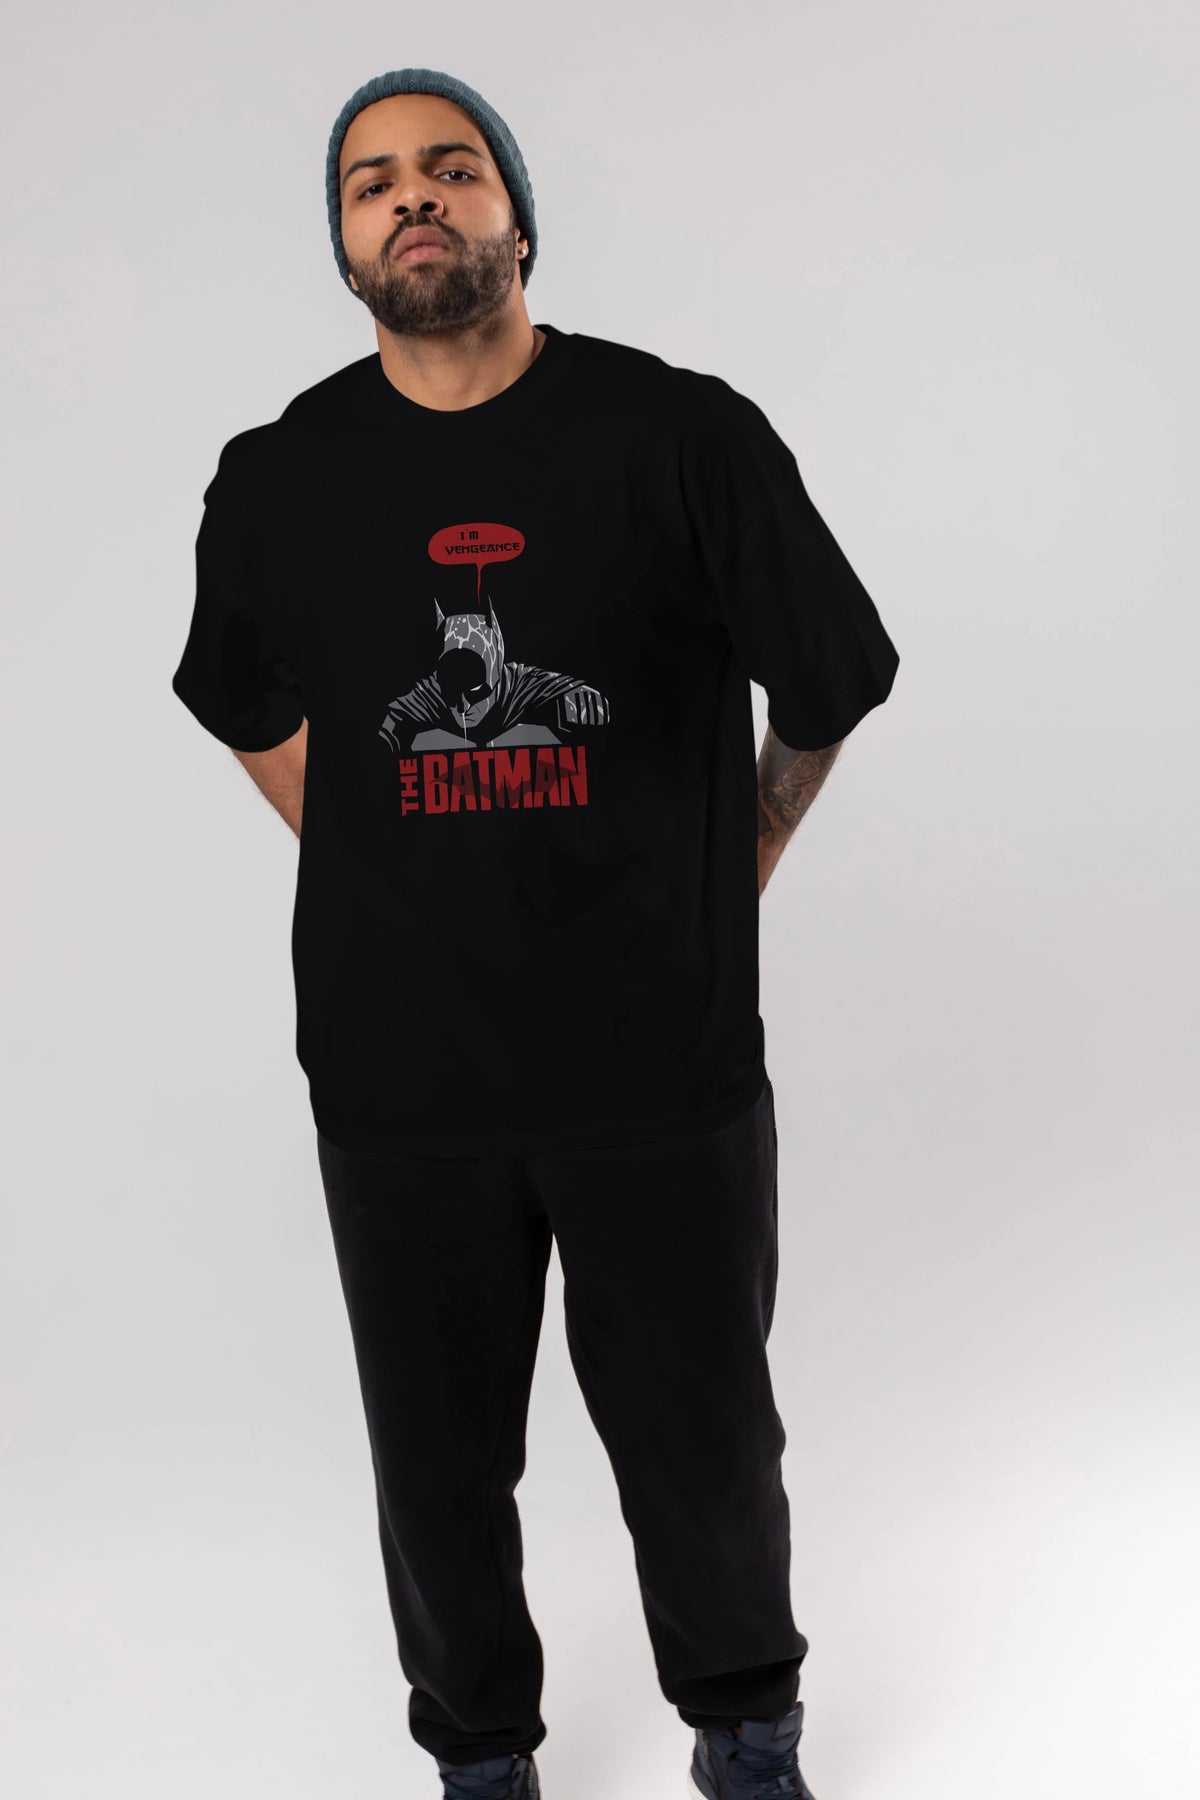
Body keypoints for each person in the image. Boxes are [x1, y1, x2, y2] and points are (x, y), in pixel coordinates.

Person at [170, 66, 900, 1800]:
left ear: (516, 213)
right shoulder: (278, 478)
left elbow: (829, 677)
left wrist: (744, 855)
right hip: (401, 1072)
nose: (413, 197)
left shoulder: (682, 436)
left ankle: (747, 1729)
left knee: (704, 1441)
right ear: (344, 243)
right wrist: (378, 852)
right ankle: (480, 1757)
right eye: (372, 183)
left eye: (452, 167)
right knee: (435, 1468)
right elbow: (246, 703)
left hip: (660, 1057)